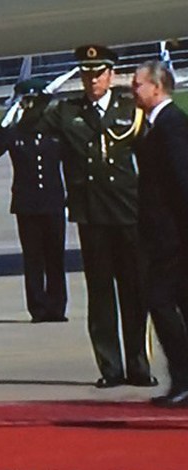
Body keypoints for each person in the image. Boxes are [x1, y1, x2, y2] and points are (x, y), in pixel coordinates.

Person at [37, 45, 156, 389]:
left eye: (98, 73)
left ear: (110, 75)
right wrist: (36, 96)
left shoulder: (129, 108)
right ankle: (111, 367)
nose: (92, 80)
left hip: (127, 212)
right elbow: (29, 124)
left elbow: (150, 157)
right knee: (101, 294)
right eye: (86, 74)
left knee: (134, 292)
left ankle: (138, 365)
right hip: (92, 215)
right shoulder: (68, 111)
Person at [0, 79, 67, 323]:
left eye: (32, 101)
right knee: (33, 259)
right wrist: (7, 119)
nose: (29, 106)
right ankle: (38, 308)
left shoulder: (54, 129)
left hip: (52, 202)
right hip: (27, 204)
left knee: (55, 257)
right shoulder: (15, 132)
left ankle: (57, 307)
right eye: (25, 101)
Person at [131, 60, 188, 407]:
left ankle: (183, 377)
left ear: (157, 87)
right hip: (164, 236)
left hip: (173, 238)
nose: (132, 90)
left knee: (161, 301)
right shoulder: (155, 125)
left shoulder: (171, 126)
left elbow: (181, 182)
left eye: (137, 84)